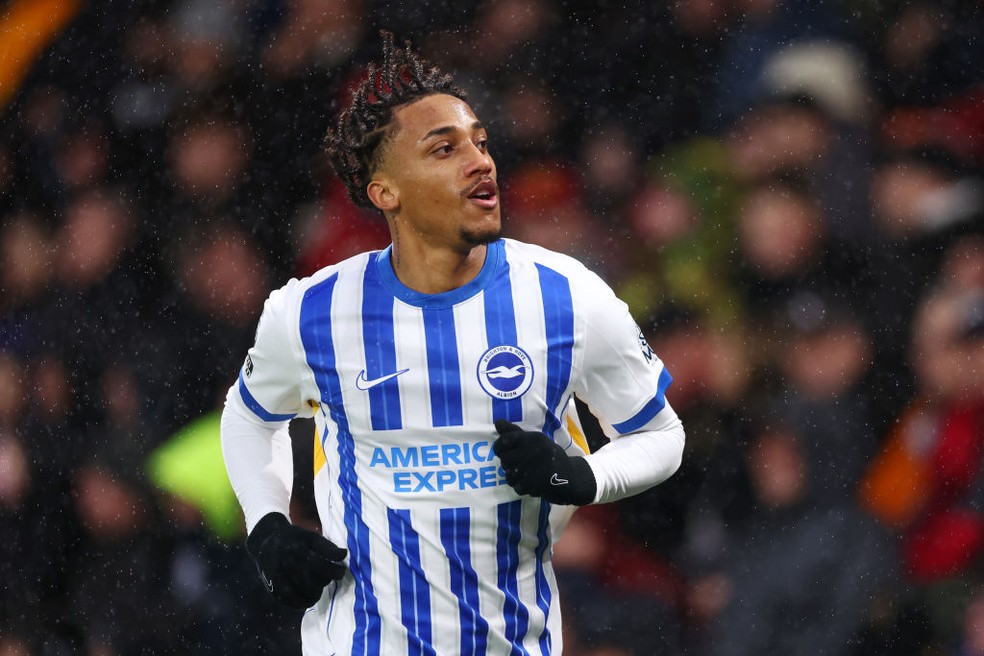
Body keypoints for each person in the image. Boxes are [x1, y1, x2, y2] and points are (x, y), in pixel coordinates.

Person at [220, 32, 685, 655]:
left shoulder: (567, 297)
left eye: (481, 143)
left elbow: (661, 435)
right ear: (386, 191)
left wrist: (585, 475)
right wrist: (267, 526)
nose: (480, 161)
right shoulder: (311, 312)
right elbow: (249, 418)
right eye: (445, 149)